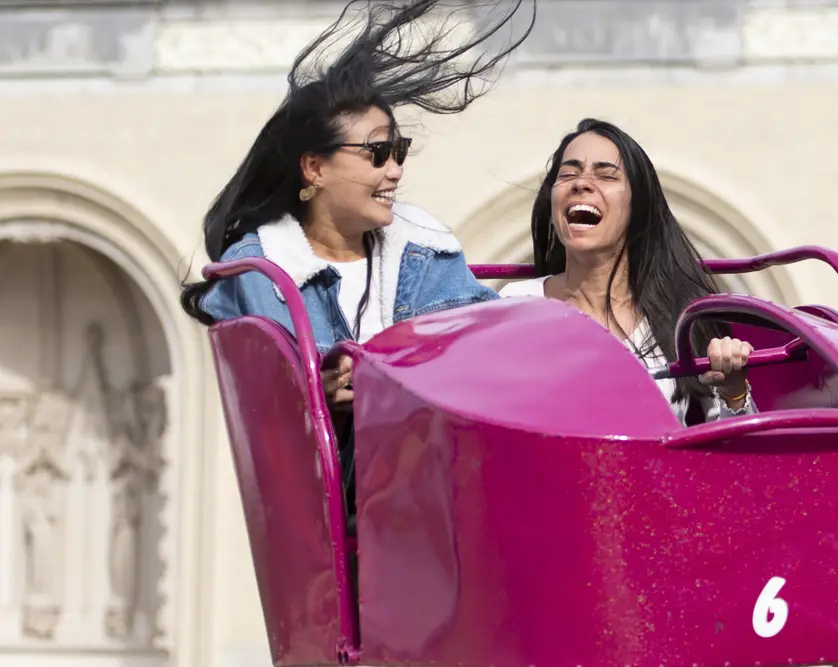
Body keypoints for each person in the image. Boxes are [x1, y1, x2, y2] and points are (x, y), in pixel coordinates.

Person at [177, 0, 536, 523]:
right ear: (313, 168)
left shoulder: (425, 252)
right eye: (376, 154)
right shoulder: (261, 274)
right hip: (337, 503)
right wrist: (313, 392)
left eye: (399, 152)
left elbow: (485, 348)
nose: (393, 171)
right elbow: (261, 412)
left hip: (438, 486)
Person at [498, 118, 756, 426]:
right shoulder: (513, 305)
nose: (581, 183)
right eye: (568, 174)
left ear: (638, 206)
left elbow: (734, 454)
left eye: (606, 175)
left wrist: (734, 391)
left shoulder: (682, 319)